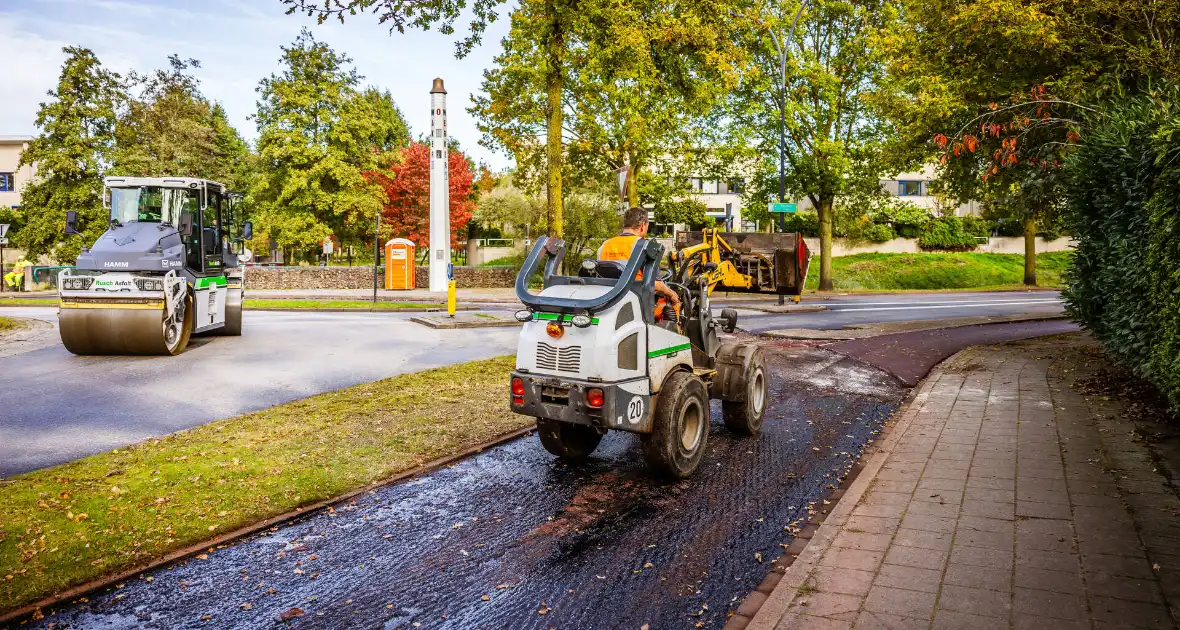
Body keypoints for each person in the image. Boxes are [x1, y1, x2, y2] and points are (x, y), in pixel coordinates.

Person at [597, 207, 681, 319]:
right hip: (636, 304)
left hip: (606, 301)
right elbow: (654, 284)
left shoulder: (605, 245)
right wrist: (672, 294)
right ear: (642, 225)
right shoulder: (646, 247)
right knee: (669, 303)